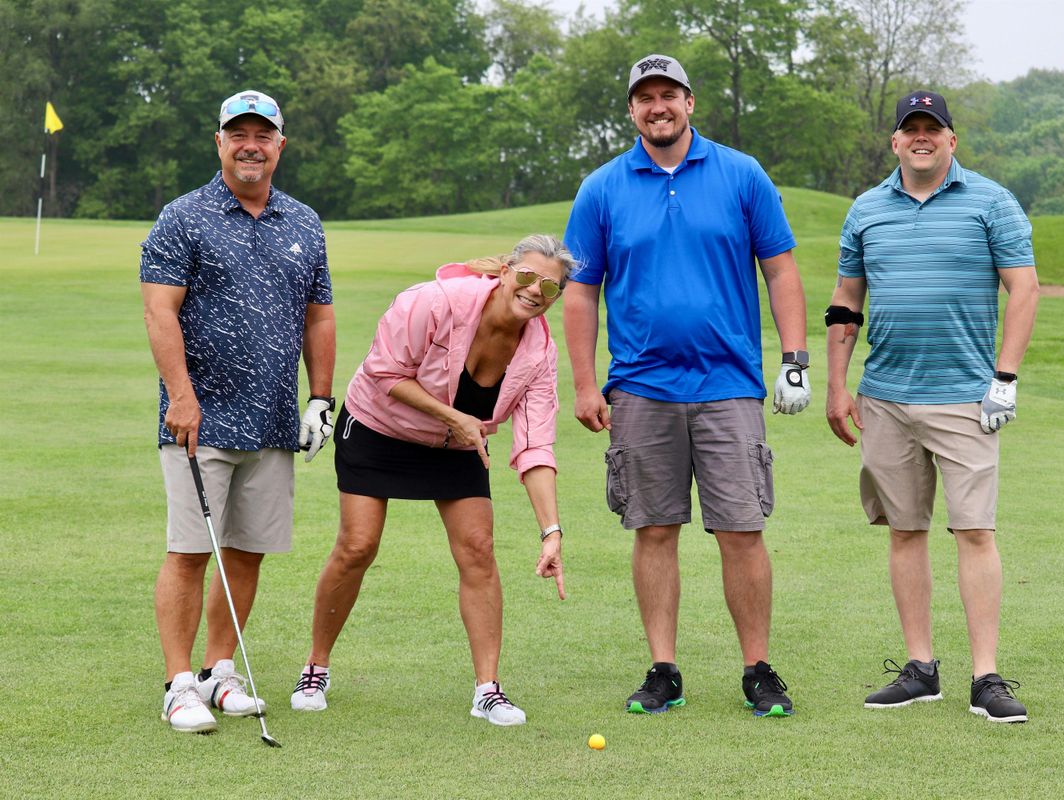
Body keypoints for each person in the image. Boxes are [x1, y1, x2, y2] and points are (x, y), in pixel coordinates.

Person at [562, 54, 810, 718]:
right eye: (645, 97)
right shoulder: (603, 188)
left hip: (729, 382)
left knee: (742, 530)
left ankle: (758, 669)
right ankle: (664, 669)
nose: (658, 107)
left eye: (668, 94)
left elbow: (780, 270)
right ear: (632, 110)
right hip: (640, 387)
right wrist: (585, 384)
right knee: (653, 529)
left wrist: (794, 359)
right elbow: (581, 292)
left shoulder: (741, 174)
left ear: (690, 102)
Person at [290, 234, 570, 727]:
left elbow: (534, 447)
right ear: (506, 272)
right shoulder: (434, 302)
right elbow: (384, 373)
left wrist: (551, 532)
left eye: (549, 287)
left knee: (478, 548)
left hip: (457, 443)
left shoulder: (539, 352)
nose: (534, 291)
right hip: (379, 426)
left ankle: (487, 690)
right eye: (527, 276)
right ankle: (316, 667)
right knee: (358, 545)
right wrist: (454, 416)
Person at [826, 90, 1039, 724]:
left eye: (933, 128)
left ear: (951, 140)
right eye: (910, 128)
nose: (921, 137)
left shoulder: (991, 202)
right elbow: (846, 298)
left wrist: (1005, 378)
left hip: (965, 397)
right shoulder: (867, 209)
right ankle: (920, 670)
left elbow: (1024, 289)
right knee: (904, 530)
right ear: (895, 141)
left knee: (974, 530)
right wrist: (837, 384)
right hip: (886, 397)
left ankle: (986, 677)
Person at [141, 89, 336, 734]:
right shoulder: (183, 217)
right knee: (190, 552)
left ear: (280, 144)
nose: (251, 146)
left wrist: (319, 397)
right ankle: (178, 686)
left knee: (247, 551)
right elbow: (160, 311)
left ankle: (218, 671)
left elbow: (319, 316)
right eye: (239, 135)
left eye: (263, 135)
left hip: (273, 420)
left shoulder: (304, 222)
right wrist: (181, 394)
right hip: (198, 419)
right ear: (219, 142)